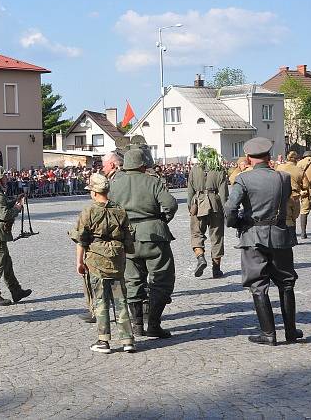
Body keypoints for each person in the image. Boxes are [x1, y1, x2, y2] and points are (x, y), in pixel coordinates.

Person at [225, 137, 302, 345]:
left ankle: (268, 334)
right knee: (286, 283)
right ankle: (291, 331)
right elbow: (285, 202)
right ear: (269, 157)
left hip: (252, 236)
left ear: (249, 158)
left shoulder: (243, 179)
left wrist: (236, 223)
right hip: (279, 235)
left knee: (258, 285)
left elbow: (231, 208)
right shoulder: (283, 178)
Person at [109, 149, 178, 338]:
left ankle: (137, 325)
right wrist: (164, 219)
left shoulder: (115, 183)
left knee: (132, 281)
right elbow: (170, 204)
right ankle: (154, 324)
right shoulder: (152, 181)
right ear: (143, 165)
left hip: (127, 237)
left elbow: (109, 209)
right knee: (161, 280)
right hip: (154, 236)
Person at [70, 173, 136, 354]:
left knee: (101, 300)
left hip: (96, 261)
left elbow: (81, 240)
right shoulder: (120, 210)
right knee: (121, 300)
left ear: (94, 192)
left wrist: (79, 262)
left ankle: (103, 340)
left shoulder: (89, 211)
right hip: (116, 260)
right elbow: (129, 238)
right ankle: (127, 340)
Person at [0, 165, 32, 306]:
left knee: (6, 264)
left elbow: (3, 205)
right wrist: (17, 208)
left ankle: (16, 290)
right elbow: (4, 214)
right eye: (4, 176)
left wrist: (15, 200)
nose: (6, 178)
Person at [187, 148, 228, 278]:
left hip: (198, 204)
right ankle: (216, 269)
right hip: (215, 204)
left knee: (196, 234)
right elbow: (223, 194)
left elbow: (190, 191)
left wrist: (190, 207)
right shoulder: (219, 169)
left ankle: (200, 258)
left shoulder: (194, 169)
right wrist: (225, 211)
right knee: (217, 237)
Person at [276, 151, 305, 242]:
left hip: (283, 195)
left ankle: (290, 239)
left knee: (287, 217)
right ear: (296, 159)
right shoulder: (299, 169)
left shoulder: (279, 167)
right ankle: (293, 238)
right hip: (295, 196)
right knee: (293, 217)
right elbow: (306, 185)